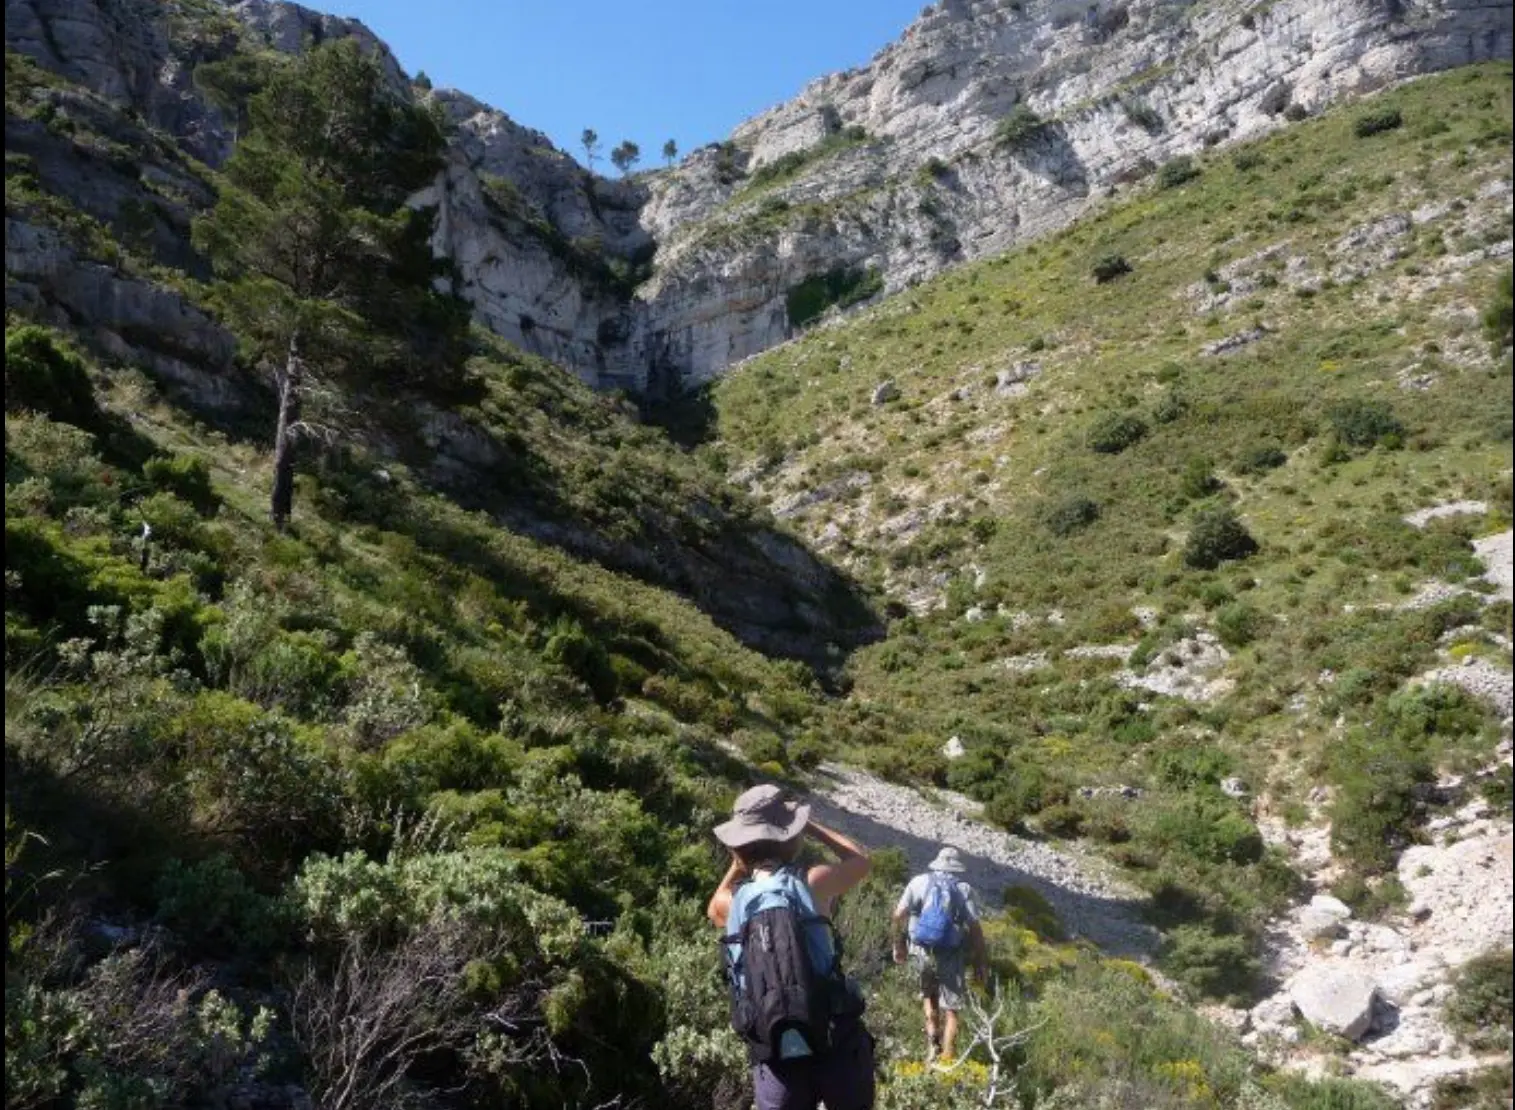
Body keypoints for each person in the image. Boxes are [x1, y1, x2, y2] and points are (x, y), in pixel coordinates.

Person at [708, 784, 876, 1110]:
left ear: (739, 846)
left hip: (773, 1048)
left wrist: (739, 859)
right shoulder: (813, 881)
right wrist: (809, 825)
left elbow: (713, 907)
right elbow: (860, 860)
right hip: (835, 1039)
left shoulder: (731, 902)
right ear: (790, 835)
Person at [891, 846, 989, 1063]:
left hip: (921, 950)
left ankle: (931, 1045)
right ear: (957, 868)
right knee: (952, 1010)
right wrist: (980, 962)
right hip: (951, 955)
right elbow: (975, 928)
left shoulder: (918, 882)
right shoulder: (964, 889)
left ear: (936, 862)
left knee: (929, 997)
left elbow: (898, 916)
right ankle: (947, 1059)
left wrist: (899, 945)